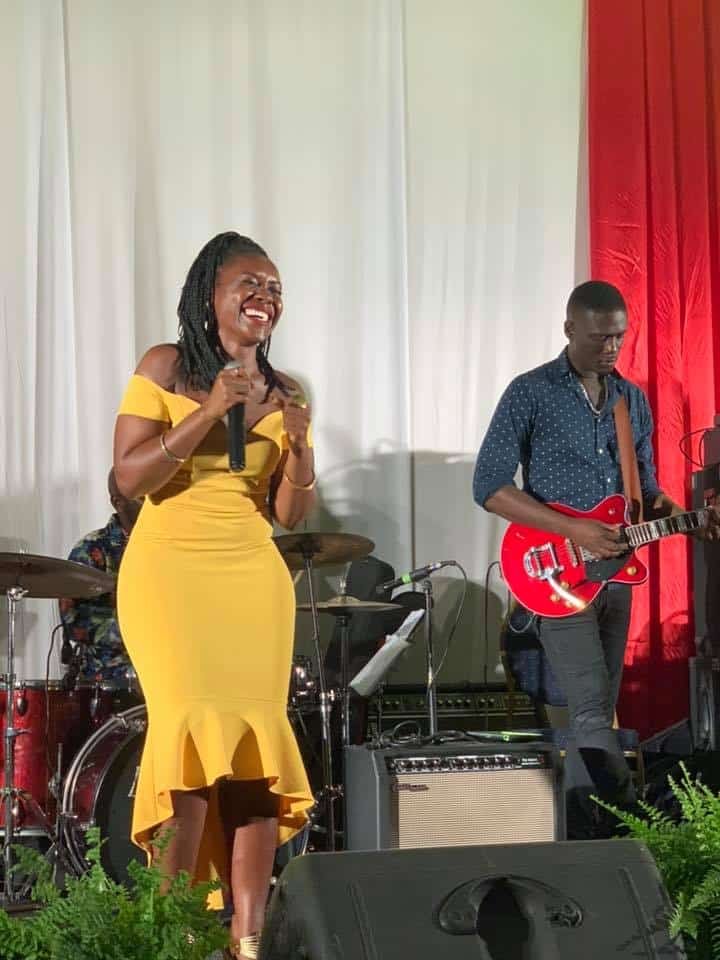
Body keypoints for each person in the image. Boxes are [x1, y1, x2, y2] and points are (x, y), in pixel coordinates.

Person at [113, 232, 316, 960]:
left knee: (257, 753)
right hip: (170, 573)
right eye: (249, 284)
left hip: (253, 577)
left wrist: (301, 451)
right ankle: (172, 932)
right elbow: (130, 477)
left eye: (274, 287)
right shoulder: (164, 366)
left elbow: (289, 515)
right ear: (211, 296)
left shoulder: (287, 391)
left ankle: (248, 937)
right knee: (188, 736)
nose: (265, 297)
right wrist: (208, 411)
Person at [473, 280, 720, 836]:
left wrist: (689, 518)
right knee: (588, 709)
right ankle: (634, 829)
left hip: (617, 574)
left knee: (600, 714)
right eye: (598, 338)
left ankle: (591, 837)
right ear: (569, 329)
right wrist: (573, 530)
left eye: (618, 338)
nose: (611, 348)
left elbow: (646, 493)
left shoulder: (630, 401)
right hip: (555, 573)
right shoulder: (530, 392)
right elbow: (488, 486)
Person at [59, 469, 140, 683]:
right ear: (118, 502)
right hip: (112, 676)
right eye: (142, 494)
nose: (151, 500)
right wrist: (141, 629)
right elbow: (75, 621)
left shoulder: (168, 546)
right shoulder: (91, 548)